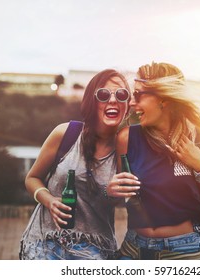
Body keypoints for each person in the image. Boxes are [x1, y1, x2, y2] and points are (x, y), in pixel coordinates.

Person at [106, 62, 200, 260]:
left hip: (184, 252)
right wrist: (111, 190)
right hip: (133, 250)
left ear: (163, 99)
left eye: (139, 95)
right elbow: (119, 198)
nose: (132, 103)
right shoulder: (126, 138)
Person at [19, 69, 131, 260]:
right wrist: (50, 201)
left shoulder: (125, 148)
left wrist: (110, 193)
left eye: (121, 94)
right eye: (103, 94)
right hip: (45, 245)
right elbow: (32, 178)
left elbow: (121, 201)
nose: (113, 100)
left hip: (94, 251)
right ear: (91, 102)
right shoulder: (66, 134)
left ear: (127, 105)